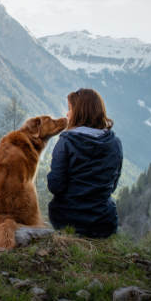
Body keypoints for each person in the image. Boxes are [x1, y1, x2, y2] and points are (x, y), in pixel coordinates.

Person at [46, 88, 123, 238]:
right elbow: (112, 187)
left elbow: (55, 186)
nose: (67, 114)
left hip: (67, 221)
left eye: (69, 109)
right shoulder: (115, 143)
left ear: (80, 112)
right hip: (104, 223)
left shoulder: (66, 142)